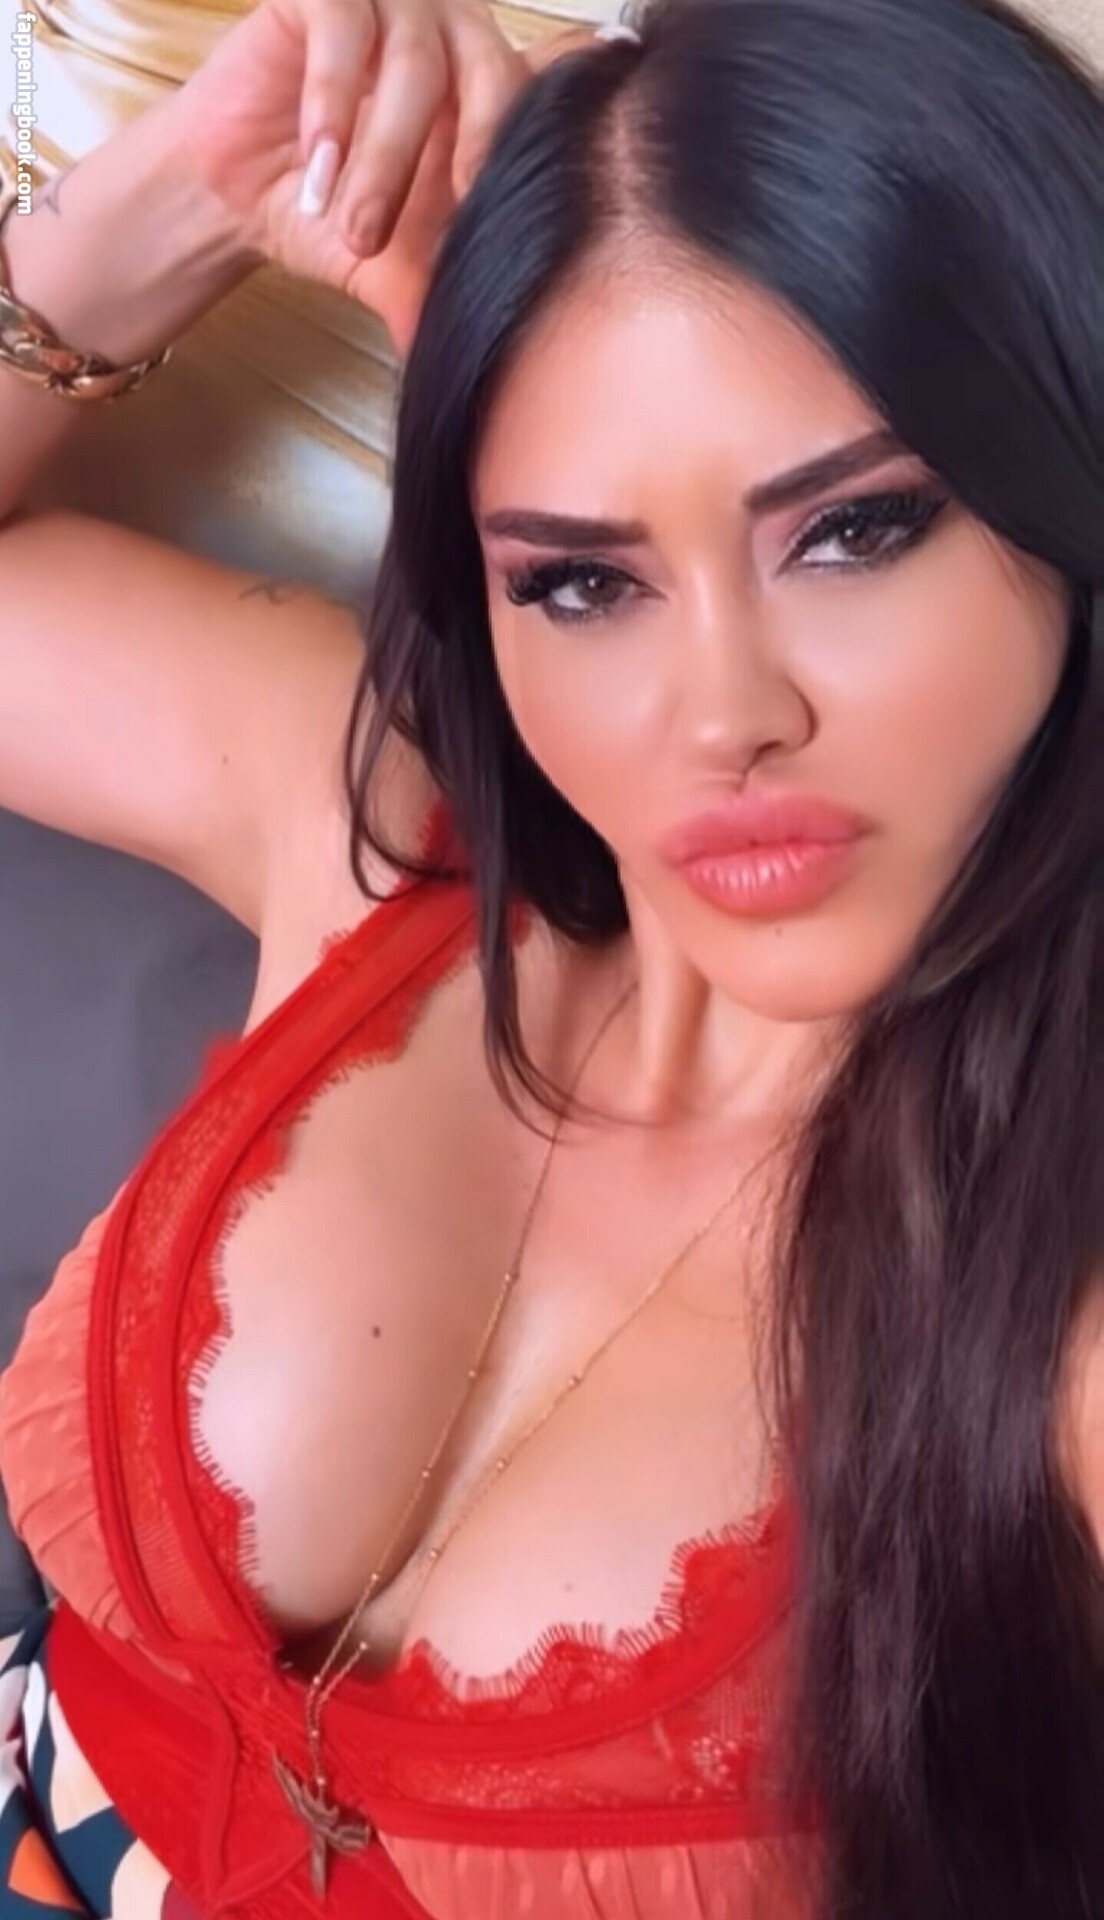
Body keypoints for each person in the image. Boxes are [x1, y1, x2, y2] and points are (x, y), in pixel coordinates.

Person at [0, 0, 1099, 1914]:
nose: (723, 715)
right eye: (583, 579)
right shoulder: (386, 842)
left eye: (855, 532)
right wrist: (160, 210)